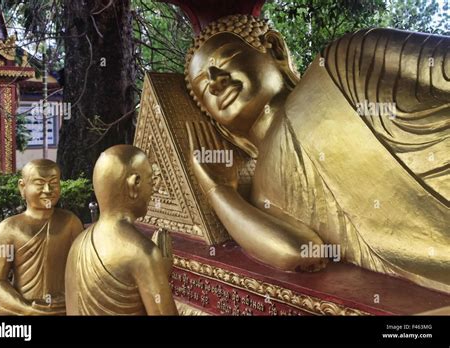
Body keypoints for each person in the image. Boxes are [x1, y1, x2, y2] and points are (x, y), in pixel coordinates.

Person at [185, 15, 450, 293]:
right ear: (217, 122)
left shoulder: (344, 60)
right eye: (204, 87)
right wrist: (218, 190)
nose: (215, 83)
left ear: (274, 48)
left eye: (225, 60)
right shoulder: (262, 192)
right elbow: (299, 252)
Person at [65, 145, 178, 315]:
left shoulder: (77, 245)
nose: (153, 191)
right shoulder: (143, 253)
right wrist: (161, 274)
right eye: (151, 182)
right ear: (134, 185)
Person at [0, 159, 83, 315]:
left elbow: (82, 272)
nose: (47, 189)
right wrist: (27, 309)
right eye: (39, 183)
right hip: (23, 308)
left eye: (54, 182)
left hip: (63, 307)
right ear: (22, 187)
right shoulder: (7, 229)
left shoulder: (70, 222)